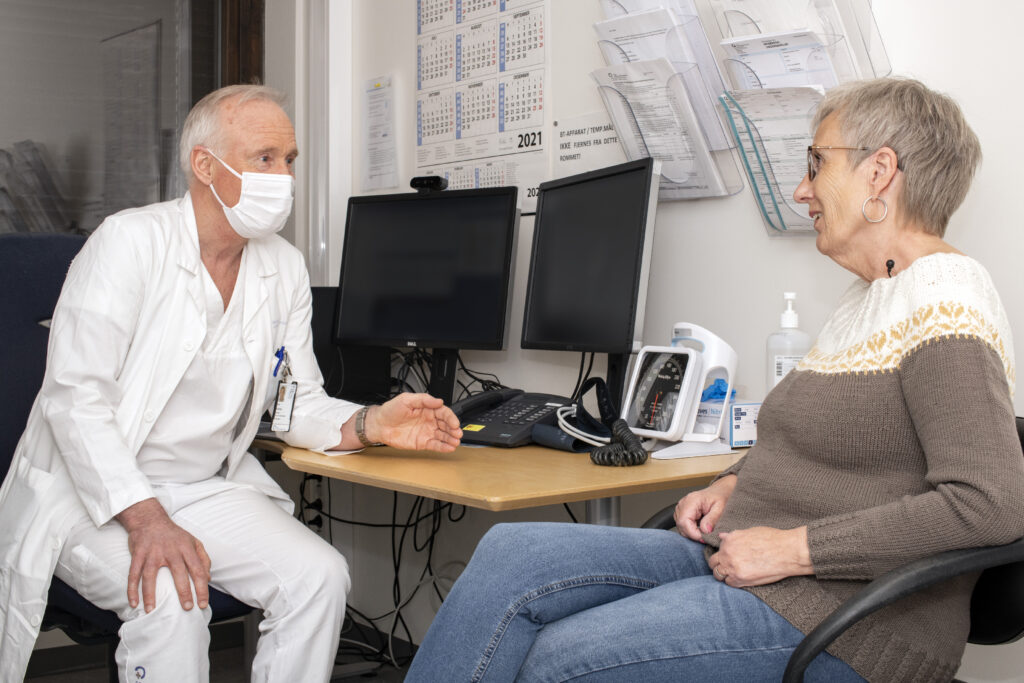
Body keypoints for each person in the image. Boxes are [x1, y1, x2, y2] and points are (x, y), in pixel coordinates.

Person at [405, 77, 1024, 682]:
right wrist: (732, 482)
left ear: (879, 172)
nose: (800, 190)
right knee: (510, 554)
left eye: (815, 164)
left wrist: (792, 550)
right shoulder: (870, 298)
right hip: (746, 557)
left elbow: (989, 505)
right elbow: (808, 443)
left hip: (846, 618)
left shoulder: (946, 302)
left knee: (560, 657)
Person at [0, 84, 463, 683]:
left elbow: (295, 402)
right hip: (96, 493)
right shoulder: (128, 242)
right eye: (265, 158)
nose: (284, 176)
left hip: (202, 487)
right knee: (169, 597)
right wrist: (147, 520)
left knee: (318, 577)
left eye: (289, 160)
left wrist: (371, 423)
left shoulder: (284, 266)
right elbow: (74, 399)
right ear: (204, 166)